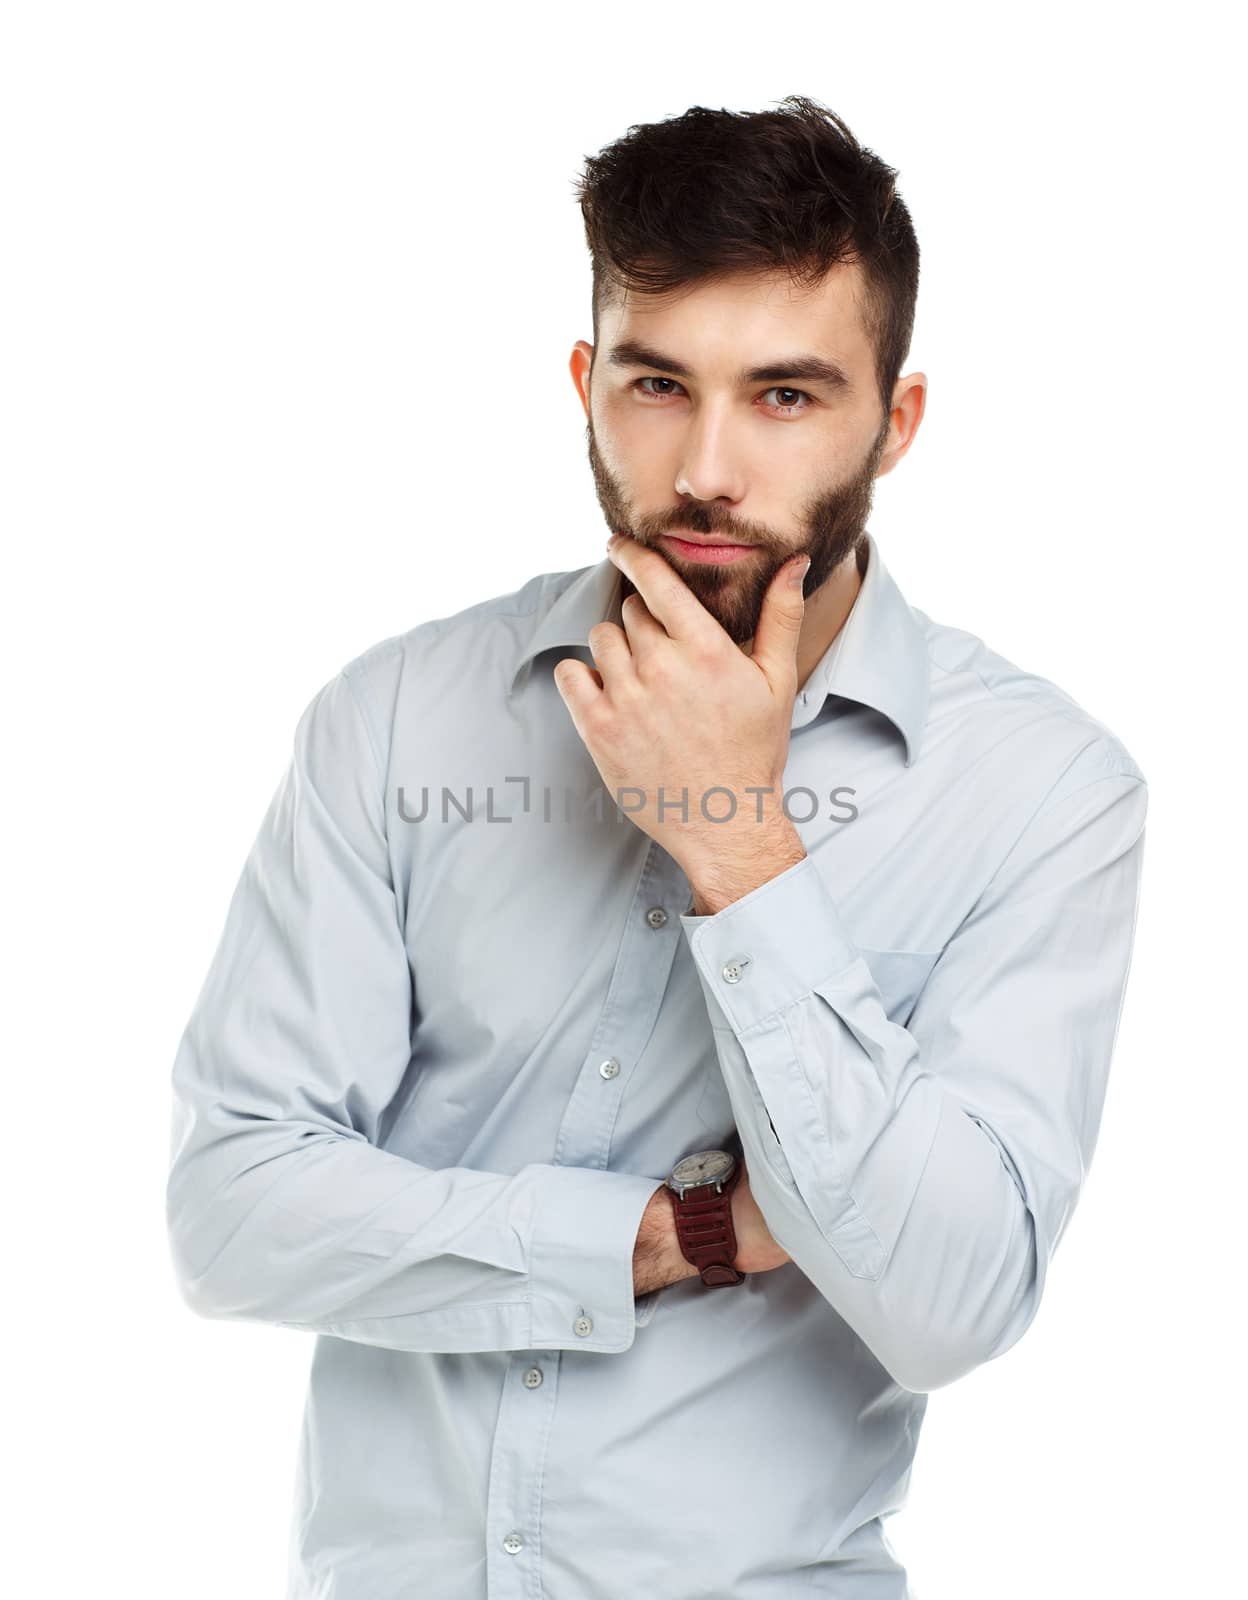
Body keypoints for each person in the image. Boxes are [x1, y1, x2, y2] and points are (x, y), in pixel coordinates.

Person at [166, 94, 1149, 1598]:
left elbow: (954, 1302)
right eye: (656, 383)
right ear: (585, 384)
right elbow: (231, 1212)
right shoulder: (393, 720)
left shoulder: (1043, 790)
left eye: (785, 396)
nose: (704, 466)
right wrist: (671, 1235)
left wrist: (736, 841)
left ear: (897, 420)